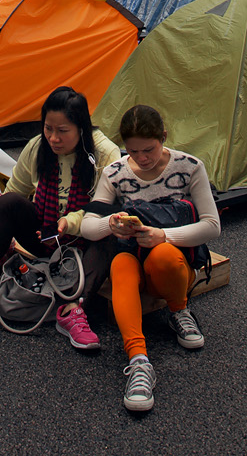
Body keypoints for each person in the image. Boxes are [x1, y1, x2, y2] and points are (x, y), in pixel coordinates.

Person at [0, 86, 121, 350]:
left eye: (63, 131)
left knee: (109, 230)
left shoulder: (104, 155)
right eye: (48, 129)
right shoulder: (37, 147)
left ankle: (73, 310)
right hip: (44, 237)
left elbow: (103, 210)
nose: (53, 138)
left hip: (83, 245)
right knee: (7, 203)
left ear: (82, 128)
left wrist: (69, 224)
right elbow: (14, 193)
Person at [80, 104, 220, 414]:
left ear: (164, 138)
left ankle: (178, 309)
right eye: (133, 151)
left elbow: (212, 225)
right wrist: (110, 224)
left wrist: (164, 236)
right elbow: (89, 227)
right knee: (120, 265)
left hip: (173, 261)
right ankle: (139, 362)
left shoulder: (189, 167)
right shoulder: (114, 172)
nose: (142, 158)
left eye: (149, 149)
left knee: (164, 255)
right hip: (132, 255)